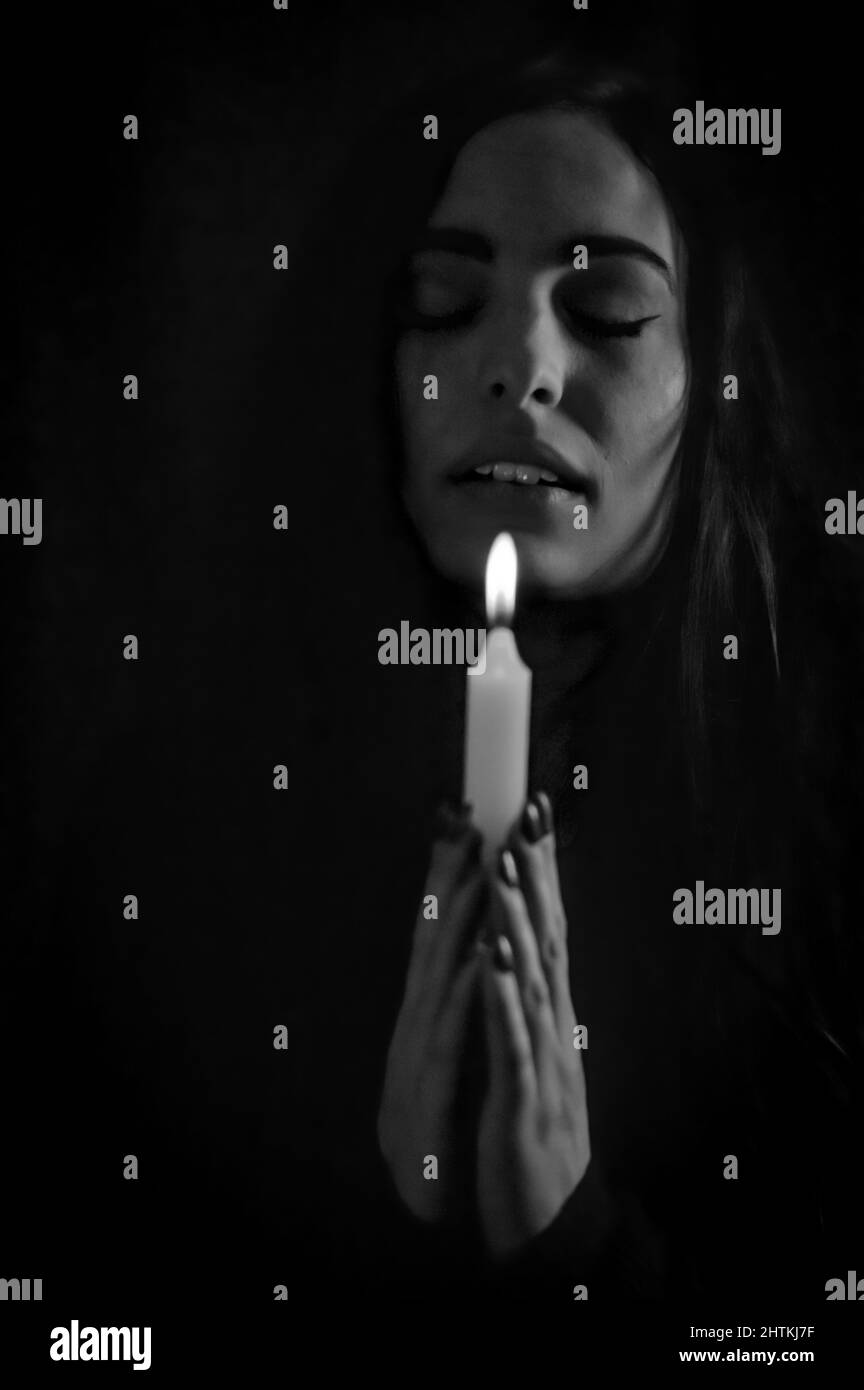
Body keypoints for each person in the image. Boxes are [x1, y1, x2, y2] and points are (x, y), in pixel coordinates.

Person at [290, 51, 864, 1307]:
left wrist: (576, 1250)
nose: (522, 370)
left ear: (712, 385)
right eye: (445, 301)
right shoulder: (187, 821)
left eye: (606, 312)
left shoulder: (829, 852)